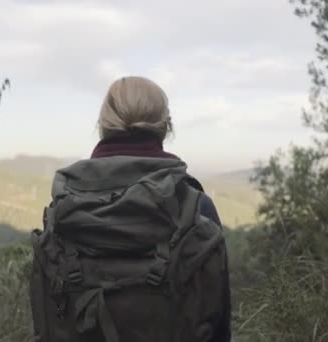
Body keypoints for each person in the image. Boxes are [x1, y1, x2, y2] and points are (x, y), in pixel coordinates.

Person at [30, 76, 231, 342]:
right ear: (165, 128)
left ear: (102, 127)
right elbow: (219, 326)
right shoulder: (195, 208)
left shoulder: (64, 210)